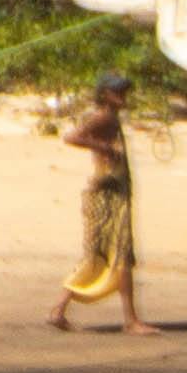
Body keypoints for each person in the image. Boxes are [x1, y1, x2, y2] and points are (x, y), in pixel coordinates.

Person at [51, 73, 150, 333]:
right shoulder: (104, 117)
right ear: (106, 94)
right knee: (120, 256)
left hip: (112, 192)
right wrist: (104, 148)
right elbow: (72, 137)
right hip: (108, 194)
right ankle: (131, 321)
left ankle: (59, 309)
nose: (123, 97)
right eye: (118, 92)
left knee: (102, 255)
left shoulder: (112, 119)